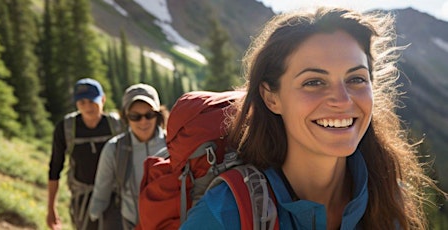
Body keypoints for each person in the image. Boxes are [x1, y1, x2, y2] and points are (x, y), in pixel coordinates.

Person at [181, 6, 439, 230]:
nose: (343, 100)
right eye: (314, 82)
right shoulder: (225, 214)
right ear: (272, 98)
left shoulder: (387, 197)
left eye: (356, 79)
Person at [88, 83, 169, 230]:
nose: (143, 121)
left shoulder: (173, 145)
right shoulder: (114, 148)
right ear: (126, 117)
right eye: (135, 116)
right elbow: (101, 191)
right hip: (130, 223)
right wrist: (93, 217)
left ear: (158, 114)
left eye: (149, 114)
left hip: (168, 224)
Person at [47, 78, 123, 230]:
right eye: (82, 102)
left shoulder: (116, 125)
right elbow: (55, 168)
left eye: (92, 101)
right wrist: (51, 208)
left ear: (103, 99)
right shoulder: (66, 128)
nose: (87, 106)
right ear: (76, 103)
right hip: (83, 198)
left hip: (114, 196)